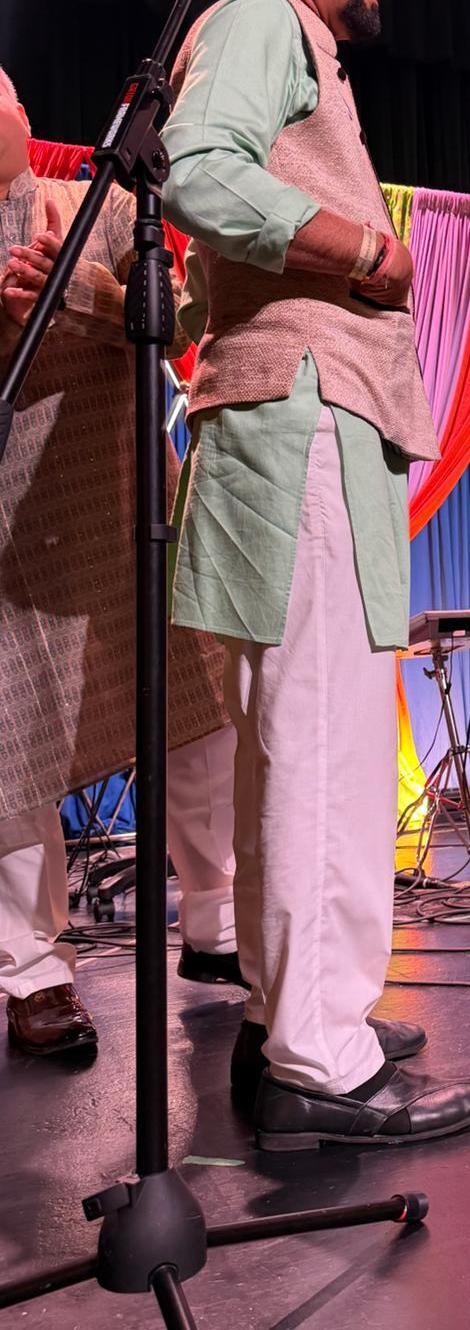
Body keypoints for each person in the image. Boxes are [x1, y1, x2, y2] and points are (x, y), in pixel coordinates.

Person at [162, 0, 470, 1152]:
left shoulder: (299, 45)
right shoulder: (262, 16)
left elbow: (210, 246)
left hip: (309, 414)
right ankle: (316, 1056)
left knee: (309, 735)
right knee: (317, 737)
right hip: (300, 411)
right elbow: (198, 172)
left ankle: (295, 1014)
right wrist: (365, 247)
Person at [0, 65, 240, 1059]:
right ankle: (31, 971)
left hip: (130, 509)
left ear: (23, 113)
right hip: (11, 544)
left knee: (199, 719)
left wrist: (85, 297)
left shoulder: (99, 206)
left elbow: (181, 323)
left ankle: (220, 924)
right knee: (13, 754)